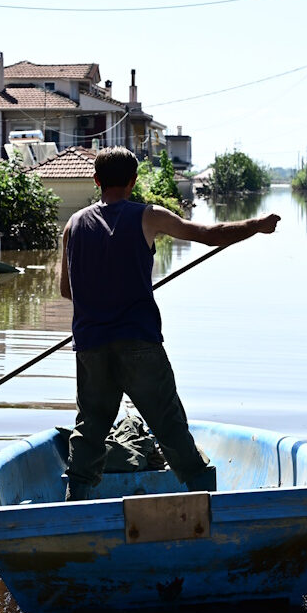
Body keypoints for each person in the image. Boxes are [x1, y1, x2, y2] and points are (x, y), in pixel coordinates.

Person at [59, 146, 280, 501]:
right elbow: (210, 233)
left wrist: (102, 298)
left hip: (91, 346)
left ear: (97, 181)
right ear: (133, 182)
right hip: (138, 343)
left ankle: (74, 504)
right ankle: (206, 503)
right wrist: (255, 225)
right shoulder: (148, 216)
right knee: (169, 427)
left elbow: (66, 290)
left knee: (90, 430)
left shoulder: (73, 225)